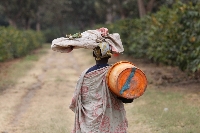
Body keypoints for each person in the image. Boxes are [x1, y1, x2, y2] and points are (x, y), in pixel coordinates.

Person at [69, 28, 129, 133]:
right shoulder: (115, 74)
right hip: (110, 123)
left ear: (94, 55)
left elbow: (77, 100)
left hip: (90, 123)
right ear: (109, 54)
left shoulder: (85, 75)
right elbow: (126, 98)